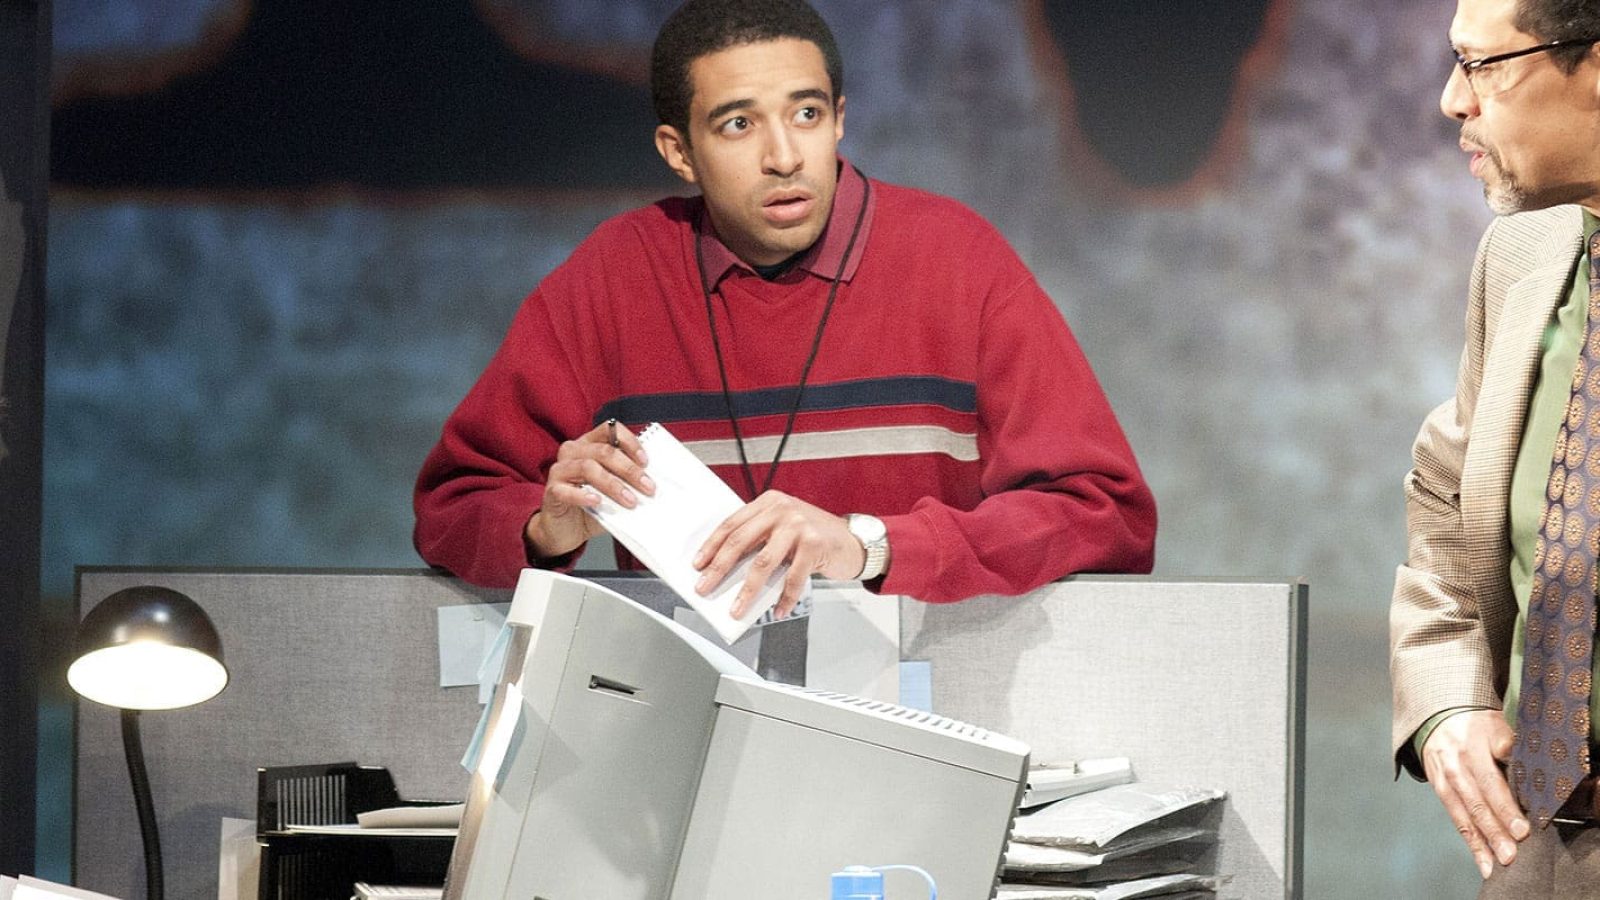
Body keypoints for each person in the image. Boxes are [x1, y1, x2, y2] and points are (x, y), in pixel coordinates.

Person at [413, 0, 1156, 617]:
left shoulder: (958, 261)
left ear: (839, 119)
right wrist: (547, 526)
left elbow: (1105, 514)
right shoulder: (611, 278)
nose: (784, 156)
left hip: (918, 700)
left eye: (805, 113)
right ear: (678, 151)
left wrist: (870, 546)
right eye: (739, 124)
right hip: (690, 714)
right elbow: (453, 505)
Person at [1392, 0, 1600, 894]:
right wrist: (1447, 698)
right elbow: (1447, 501)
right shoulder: (1522, 256)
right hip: (1536, 839)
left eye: (1483, 64)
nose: (1453, 99)